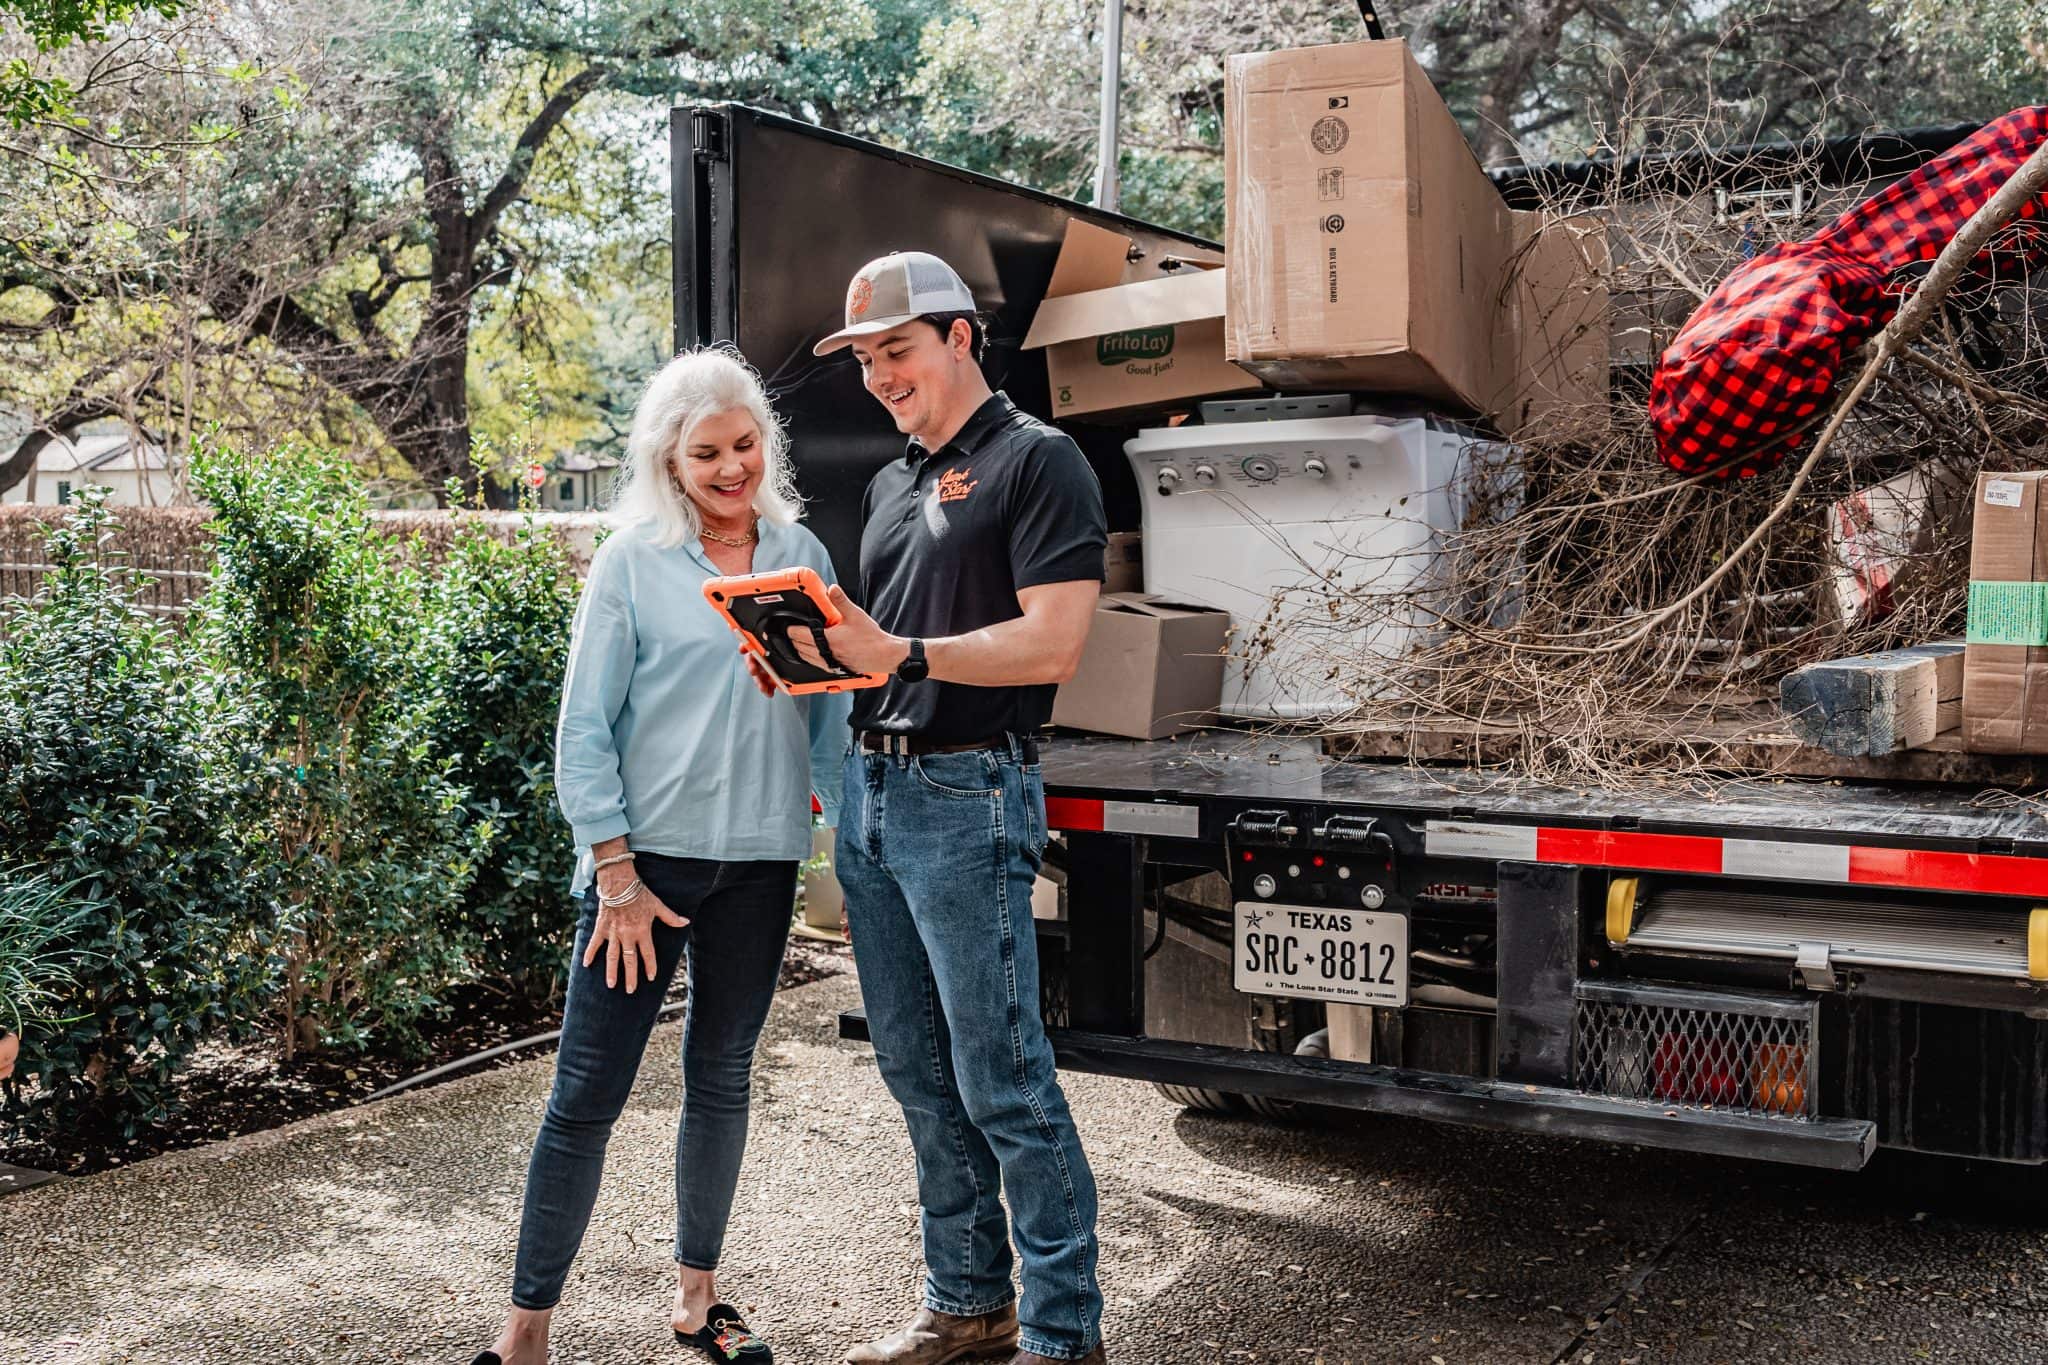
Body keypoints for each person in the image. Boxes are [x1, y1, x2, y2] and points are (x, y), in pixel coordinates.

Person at [472, 347, 849, 1365]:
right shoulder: (633, 560)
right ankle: (524, 1334)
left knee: (720, 1078)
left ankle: (698, 1304)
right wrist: (617, 878)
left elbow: (829, 730)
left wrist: (851, 844)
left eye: (743, 444)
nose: (731, 466)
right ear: (669, 461)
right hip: (643, 873)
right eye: (707, 452)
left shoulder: (797, 555)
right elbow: (582, 730)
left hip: (760, 868)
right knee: (586, 1095)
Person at [782, 251, 1111, 1364]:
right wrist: (807, 663)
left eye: (898, 350)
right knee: (916, 1073)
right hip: (872, 794)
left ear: (960, 337)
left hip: (968, 791)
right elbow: (880, 657)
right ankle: (968, 1305)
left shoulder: (1039, 460)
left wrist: (903, 650)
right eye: (865, 359)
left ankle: (1064, 1337)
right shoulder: (887, 485)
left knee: (1002, 1078)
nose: (879, 375)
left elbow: (1056, 638)